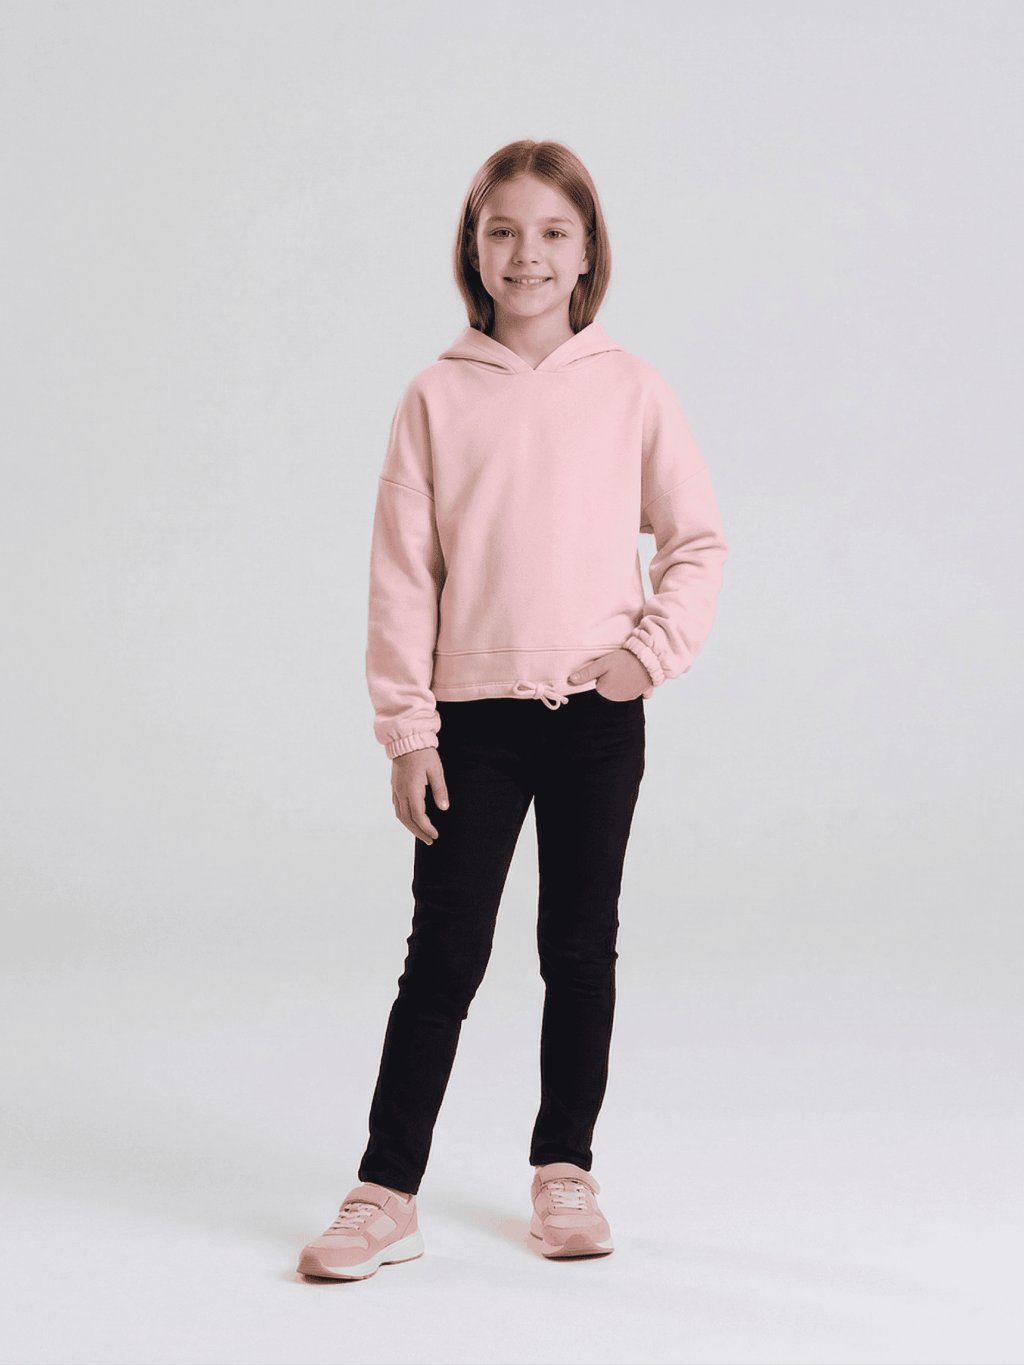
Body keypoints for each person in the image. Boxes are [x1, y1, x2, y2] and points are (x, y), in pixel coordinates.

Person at [297, 139, 728, 1281]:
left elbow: (695, 541)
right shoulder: (435, 396)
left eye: (551, 233)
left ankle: (564, 1168)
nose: (526, 254)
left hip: (595, 717)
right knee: (443, 953)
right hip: (470, 723)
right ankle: (385, 1193)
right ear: (472, 248)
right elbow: (403, 575)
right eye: (503, 232)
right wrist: (408, 730)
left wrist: (645, 658)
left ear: (586, 252)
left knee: (579, 947)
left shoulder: (632, 388)